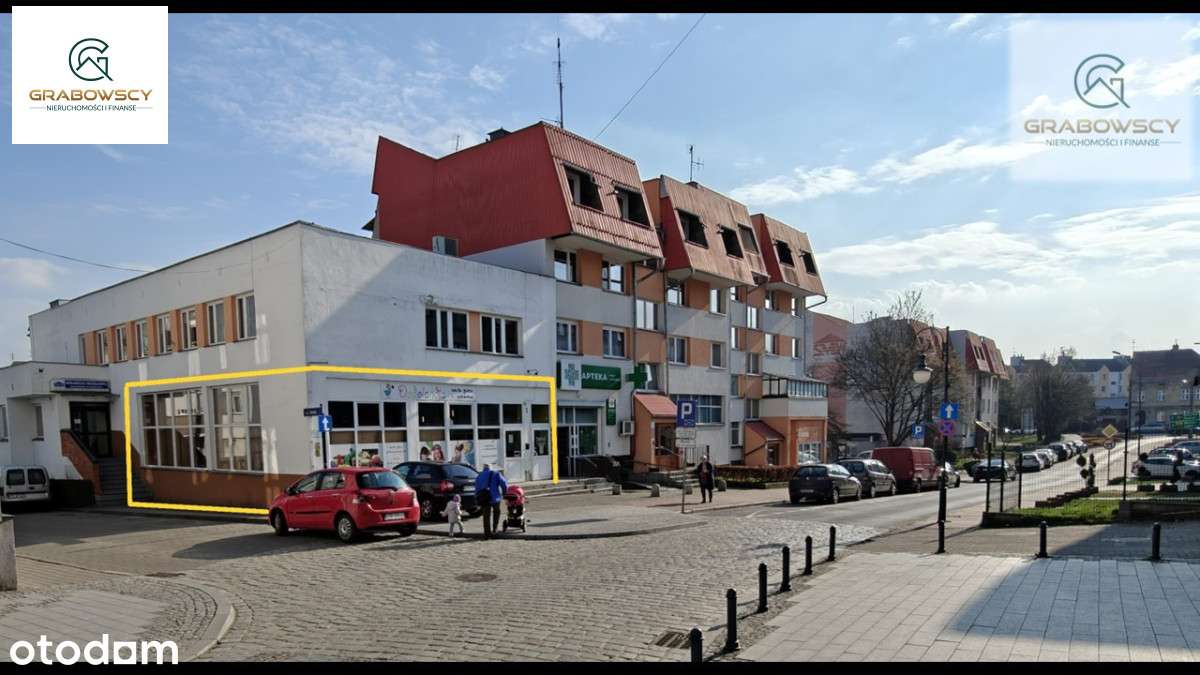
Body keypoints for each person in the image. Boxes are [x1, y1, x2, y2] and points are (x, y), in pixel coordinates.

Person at [474, 463, 509, 539]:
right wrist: (505, 494)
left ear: (483, 468)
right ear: (491, 467)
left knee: (486, 516)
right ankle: (495, 529)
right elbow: (504, 484)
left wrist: (477, 498)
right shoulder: (496, 474)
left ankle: (487, 534)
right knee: (496, 512)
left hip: (484, 498)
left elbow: (476, 488)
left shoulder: (479, 476)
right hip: (495, 498)